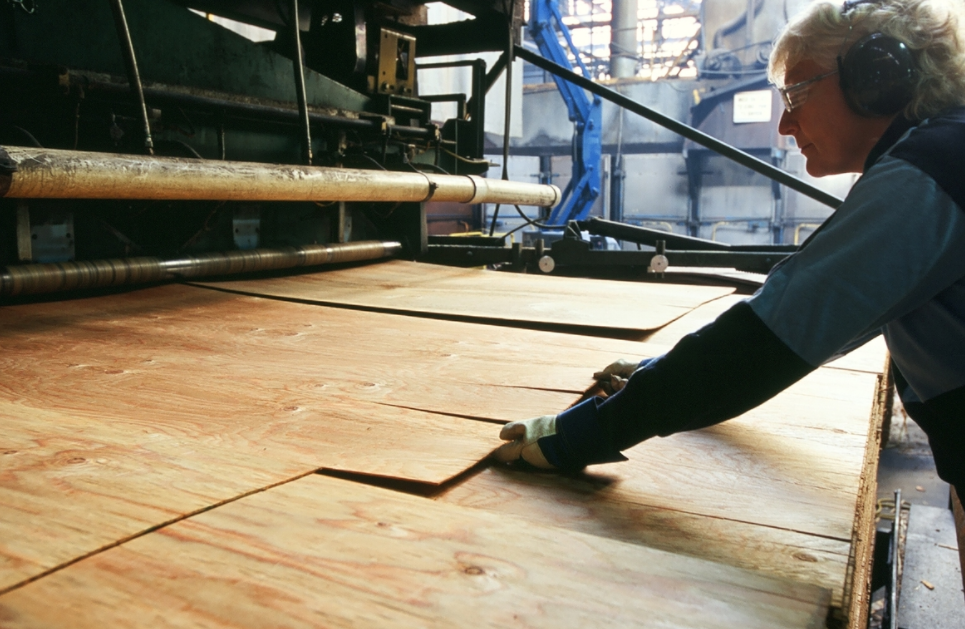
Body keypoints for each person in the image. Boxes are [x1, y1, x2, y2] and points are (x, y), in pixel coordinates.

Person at [495, 0, 965, 595]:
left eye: (796, 95)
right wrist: (662, 373)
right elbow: (826, 309)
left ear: (878, 77)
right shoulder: (942, 152)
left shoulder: (932, 171)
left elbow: (773, 336)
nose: (784, 126)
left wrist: (579, 435)